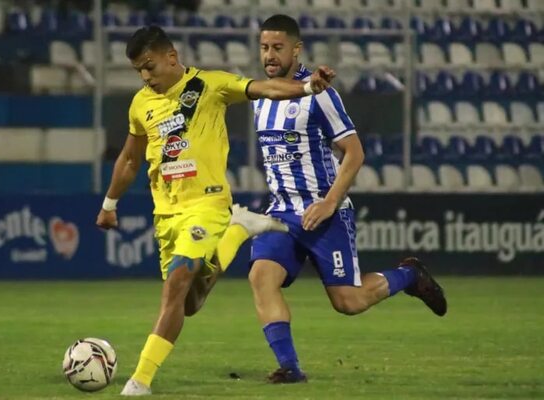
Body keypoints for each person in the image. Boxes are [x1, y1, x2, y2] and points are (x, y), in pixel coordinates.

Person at [95, 25, 336, 396]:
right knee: (189, 303)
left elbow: (265, 88)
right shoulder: (141, 103)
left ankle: (140, 379)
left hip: (206, 204)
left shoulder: (210, 86)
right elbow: (130, 158)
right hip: (167, 213)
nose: (146, 76)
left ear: (171, 57)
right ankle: (239, 229)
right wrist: (110, 204)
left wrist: (307, 88)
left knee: (176, 283)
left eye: (150, 66)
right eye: (139, 71)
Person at [247, 14, 448, 384]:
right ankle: (290, 368)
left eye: (277, 47)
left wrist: (328, 203)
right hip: (282, 212)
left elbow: (354, 153)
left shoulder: (319, 95)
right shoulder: (260, 96)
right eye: (264, 47)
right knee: (261, 276)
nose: (270, 55)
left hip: (326, 213)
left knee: (348, 302)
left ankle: (409, 275)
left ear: (296, 48)